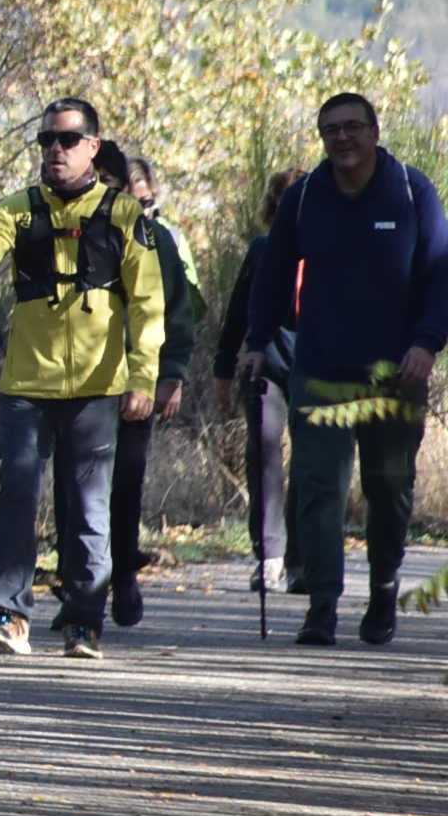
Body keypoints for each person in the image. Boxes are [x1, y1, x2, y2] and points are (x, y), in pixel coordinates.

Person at [0, 99, 163, 659]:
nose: (55, 151)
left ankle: (84, 620)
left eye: (67, 140)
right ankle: (9, 615)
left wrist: (143, 379)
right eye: (47, 141)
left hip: (98, 384)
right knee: (18, 495)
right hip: (27, 383)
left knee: (90, 504)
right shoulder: (21, 208)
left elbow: (147, 305)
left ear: (93, 146)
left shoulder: (123, 214)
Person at [242, 94, 448, 647]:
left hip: (394, 374)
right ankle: (322, 606)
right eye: (330, 129)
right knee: (318, 485)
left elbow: (440, 275)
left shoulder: (411, 190)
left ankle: (384, 588)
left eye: (353, 127)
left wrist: (427, 344)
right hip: (320, 370)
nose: (342, 138)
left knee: (389, 489)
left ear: (376, 131)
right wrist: (256, 340)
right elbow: (274, 273)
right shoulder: (305, 197)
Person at [102, 153, 200, 628]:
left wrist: (170, 375)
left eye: (110, 181)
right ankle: (82, 588)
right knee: (75, 490)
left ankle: (123, 576)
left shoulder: (156, 239)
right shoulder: (66, 232)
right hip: (72, 384)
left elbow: (178, 314)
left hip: (133, 381)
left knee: (124, 485)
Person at [213, 170, 303, 597]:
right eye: (283, 199)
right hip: (263, 366)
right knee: (264, 452)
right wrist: (223, 371)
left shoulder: (330, 249)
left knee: (312, 464)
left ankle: (304, 556)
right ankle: (269, 557)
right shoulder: (262, 250)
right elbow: (237, 313)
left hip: (316, 368)